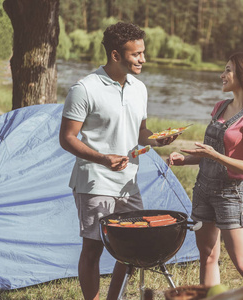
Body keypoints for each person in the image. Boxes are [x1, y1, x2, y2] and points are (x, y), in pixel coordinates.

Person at [59, 22, 177, 300]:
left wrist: (156, 139)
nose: (143, 59)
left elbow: (141, 132)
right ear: (115, 55)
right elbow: (67, 138)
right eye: (136, 54)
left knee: (131, 248)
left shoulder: (139, 88)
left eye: (142, 52)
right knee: (93, 248)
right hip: (95, 181)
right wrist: (102, 158)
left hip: (128, 183)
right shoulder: (84, 89)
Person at [168, 52, 243, 288]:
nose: (222, 75)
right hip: (203, 190)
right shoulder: (219, 107)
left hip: (231, 195)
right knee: (207, 256)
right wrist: (185, 160)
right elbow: (209, 155)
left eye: (228, 70)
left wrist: (214, 155)